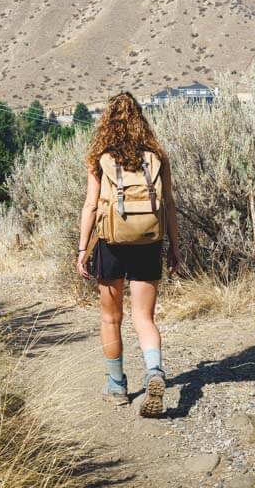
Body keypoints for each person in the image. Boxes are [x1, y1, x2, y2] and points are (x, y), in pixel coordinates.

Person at [76, 92, 181, 417]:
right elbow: (169, 205)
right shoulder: (157, 156)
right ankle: (154, 371)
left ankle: (117, 386)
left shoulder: (100, 157)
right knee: (144, 317)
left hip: (110, 242)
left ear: (107, 121)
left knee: (111, 318)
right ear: (140, 120)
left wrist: (82, 249)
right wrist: (175, 246)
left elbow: (92, 206)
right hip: (149, 241)